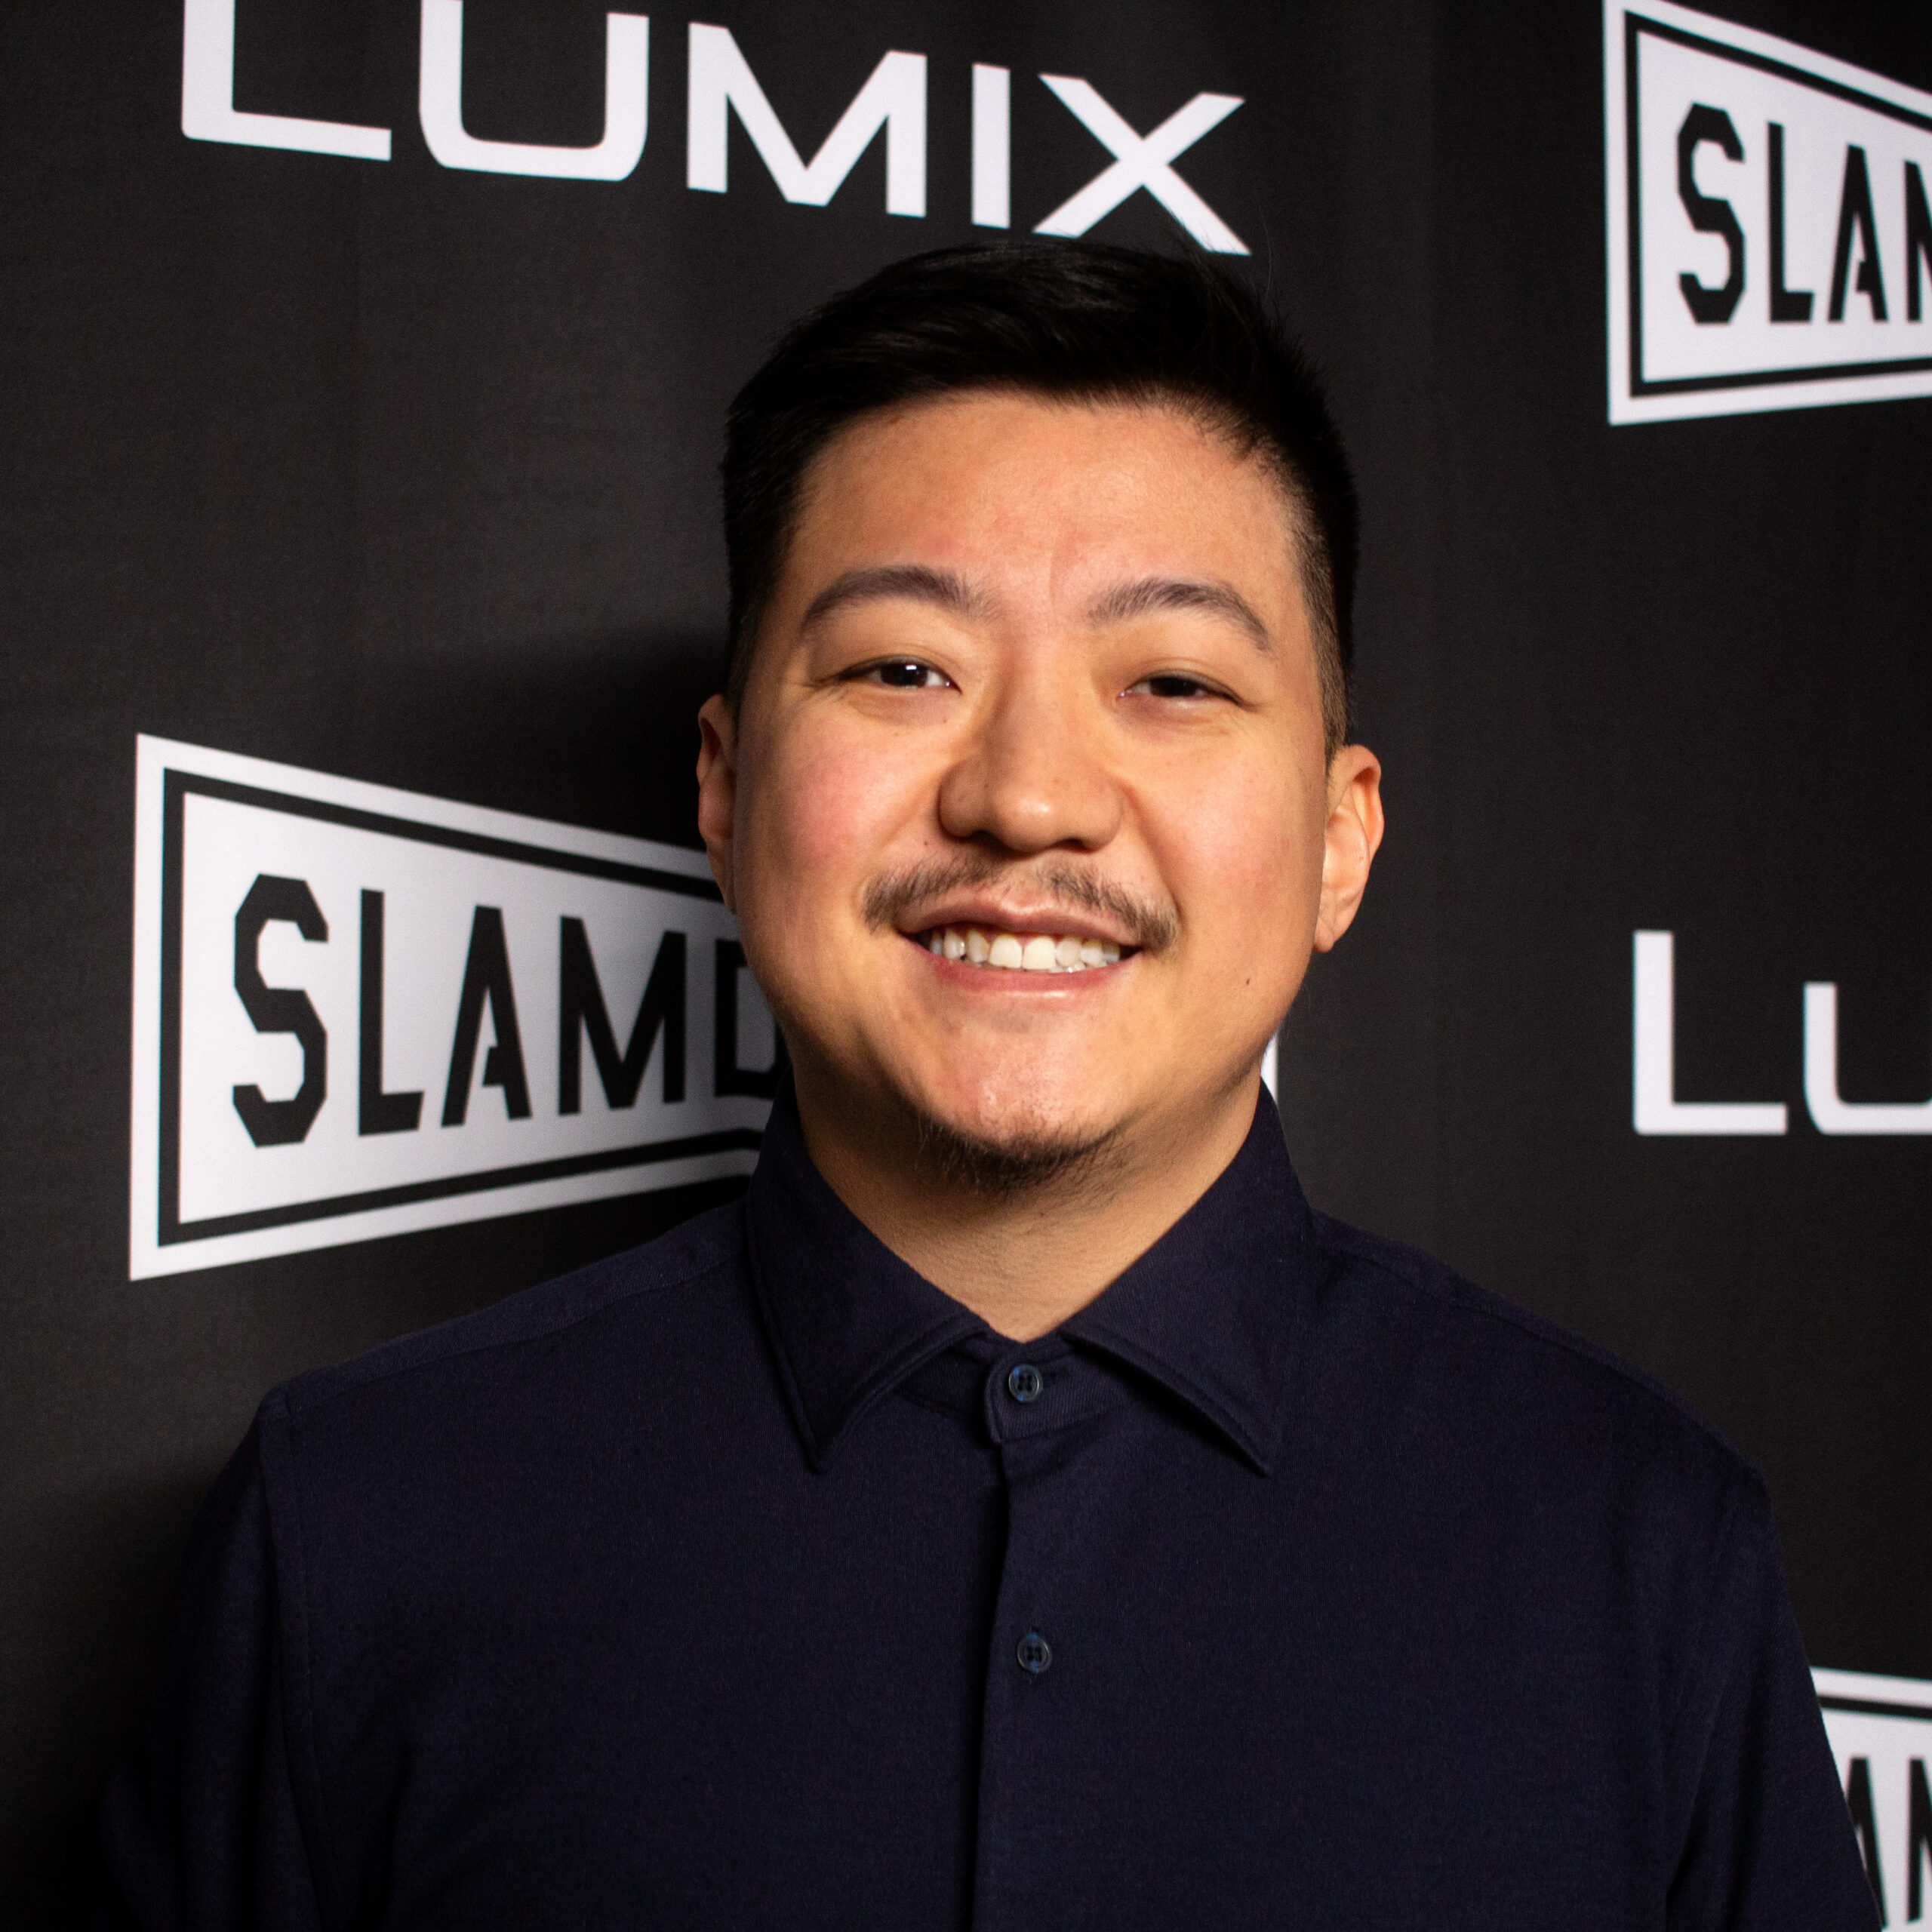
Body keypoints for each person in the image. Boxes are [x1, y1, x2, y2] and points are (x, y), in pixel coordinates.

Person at [99, 242, 1875, 1930]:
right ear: (721, 787)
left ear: (1338, 838)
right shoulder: (354, 1521)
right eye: (902, 669)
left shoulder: (1637, 1545)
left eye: (1169, 679)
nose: (1025, 798)